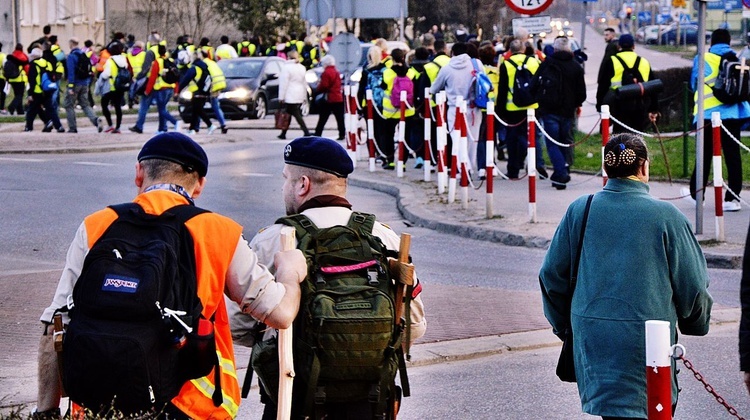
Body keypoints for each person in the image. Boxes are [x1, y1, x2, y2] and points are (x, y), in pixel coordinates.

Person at [34, 132, 308, 419]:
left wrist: (46, 411)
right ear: (199, 185)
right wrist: (289, 272)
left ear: (139, 173)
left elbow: (56, 323)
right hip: (190, 406)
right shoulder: (217, 231)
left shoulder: (96, 225)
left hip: (98, 404)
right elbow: (279, 313)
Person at [239, 136, 426, 419]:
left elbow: (237, 326)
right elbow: (414, 325)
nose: (283, 187)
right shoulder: (383, 237)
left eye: (286, 179)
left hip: (296, 401)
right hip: (372, 402)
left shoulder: (273, 240)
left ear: (302, 184)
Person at [539, 133, 713, 420]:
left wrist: (566, 327)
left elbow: (551, 277)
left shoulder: (580, 209)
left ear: (606, 169)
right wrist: (697, 322)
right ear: (644, 167)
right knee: (653, 409)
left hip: (593, 335)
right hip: (648, 340)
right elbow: (693, 286)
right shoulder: (666, 216)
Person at [684, 28, 750, 212]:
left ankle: (698, 196)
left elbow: (693, 83)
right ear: (728, 42)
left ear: (711, 42)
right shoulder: (736, 59)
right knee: (733, 157)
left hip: (707, 115)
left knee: (703, 155)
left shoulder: (703, 58)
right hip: (732, 116)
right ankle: (732, 199)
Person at [534, 36, 586, 190]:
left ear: (555, 49)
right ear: (569, 49)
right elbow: (581, 94)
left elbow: (534, 84)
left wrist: (539, 101)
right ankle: (561, 171)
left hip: (549, 111)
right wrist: (575, 104)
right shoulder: (576, 66)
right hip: (568, 111)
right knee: (565, 141)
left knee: (552, 143)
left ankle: (561, 172)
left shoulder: (547, 64)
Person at [429, 42, 484, 174]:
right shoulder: (476, 64)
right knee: (473, 139)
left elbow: (434, 88)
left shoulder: (447, 69)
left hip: (454, 109)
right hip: (473, 107)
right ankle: (470, 164)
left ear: (452, 53)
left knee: (457, 139)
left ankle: (463, 167)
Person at [595, 34, 659, 134]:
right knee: (637, 137)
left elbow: (603, 87)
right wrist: (653, 109)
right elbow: (653, 88)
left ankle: (622, 149)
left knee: (620, 136)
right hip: (639, 106)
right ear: (633, 46)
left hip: (619, 106)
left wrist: (600, 107)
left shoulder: (612, 61)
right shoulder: (644, 62)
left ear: (619, 46)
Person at [496, 39, 541, 179]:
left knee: (512, 139)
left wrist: (500, 111)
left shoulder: (506, 65)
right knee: (531, 137)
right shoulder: (534, 62)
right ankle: (535, 164)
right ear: (524, 49)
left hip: (512, 108)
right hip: (533, 107)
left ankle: (513, 169)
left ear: (510, 51)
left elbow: (502, 90)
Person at [64, 38, 101, 134]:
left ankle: (72, 127)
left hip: (75, 83)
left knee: (69, 105)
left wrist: (71, 86)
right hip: (85, 83)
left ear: (71, 44)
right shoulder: (83, 54)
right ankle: (95, 120)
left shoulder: (71, 56)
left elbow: (71, 72)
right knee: (85, 104)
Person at [177, 50, 214, 135]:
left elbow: (186, 79)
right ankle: (192, 129)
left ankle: (210, 125)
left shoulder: (194, 68)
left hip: (196, 91)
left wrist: (178, 90)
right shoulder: (203, 67)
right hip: (203, 91)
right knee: (196, 110)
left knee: (199, 110)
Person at [98, 42, 130, 133]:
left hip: (111, 87)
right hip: (120, 86)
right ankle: (118, 127)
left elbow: (106, 74)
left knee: (104, 104)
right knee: (117, 107)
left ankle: (110, 124)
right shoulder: (123, 59)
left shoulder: (110, 60)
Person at [277, 50, 310, 139]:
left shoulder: (286, 68)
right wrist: (304, 96)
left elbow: (284, 83)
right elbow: (304, 82)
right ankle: (283, 133)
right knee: (289, 114)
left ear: (288, 57)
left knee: (295, 114)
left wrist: (281, 97)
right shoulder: (301, 67)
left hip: (289, 94)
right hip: (299, 93)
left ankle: (306, 131)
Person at [313, 55, 345, 140]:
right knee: (340, 118)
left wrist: (318, 89)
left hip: (329, 98)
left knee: (323, 117)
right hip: (338, 97)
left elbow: (324, 85)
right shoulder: (336, 71)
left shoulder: (326, 72)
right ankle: (342, 133)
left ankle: (318, 132)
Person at [24, 48, 53, 132]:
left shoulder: (33, 64)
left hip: (37, 91)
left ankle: (28, 127)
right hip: (47, 89)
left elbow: (32, 80)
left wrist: (30, 93)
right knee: (39, 108)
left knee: (31, 110)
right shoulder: (46, 63)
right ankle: (48, 122)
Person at [6, 43, 28, 116]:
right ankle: (12, 107)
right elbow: (26, 68)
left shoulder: (12, 56)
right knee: (19, 95)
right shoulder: (23, 56)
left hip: (12, 79)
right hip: (20, 78)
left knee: (17, 94)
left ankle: (20, 111)